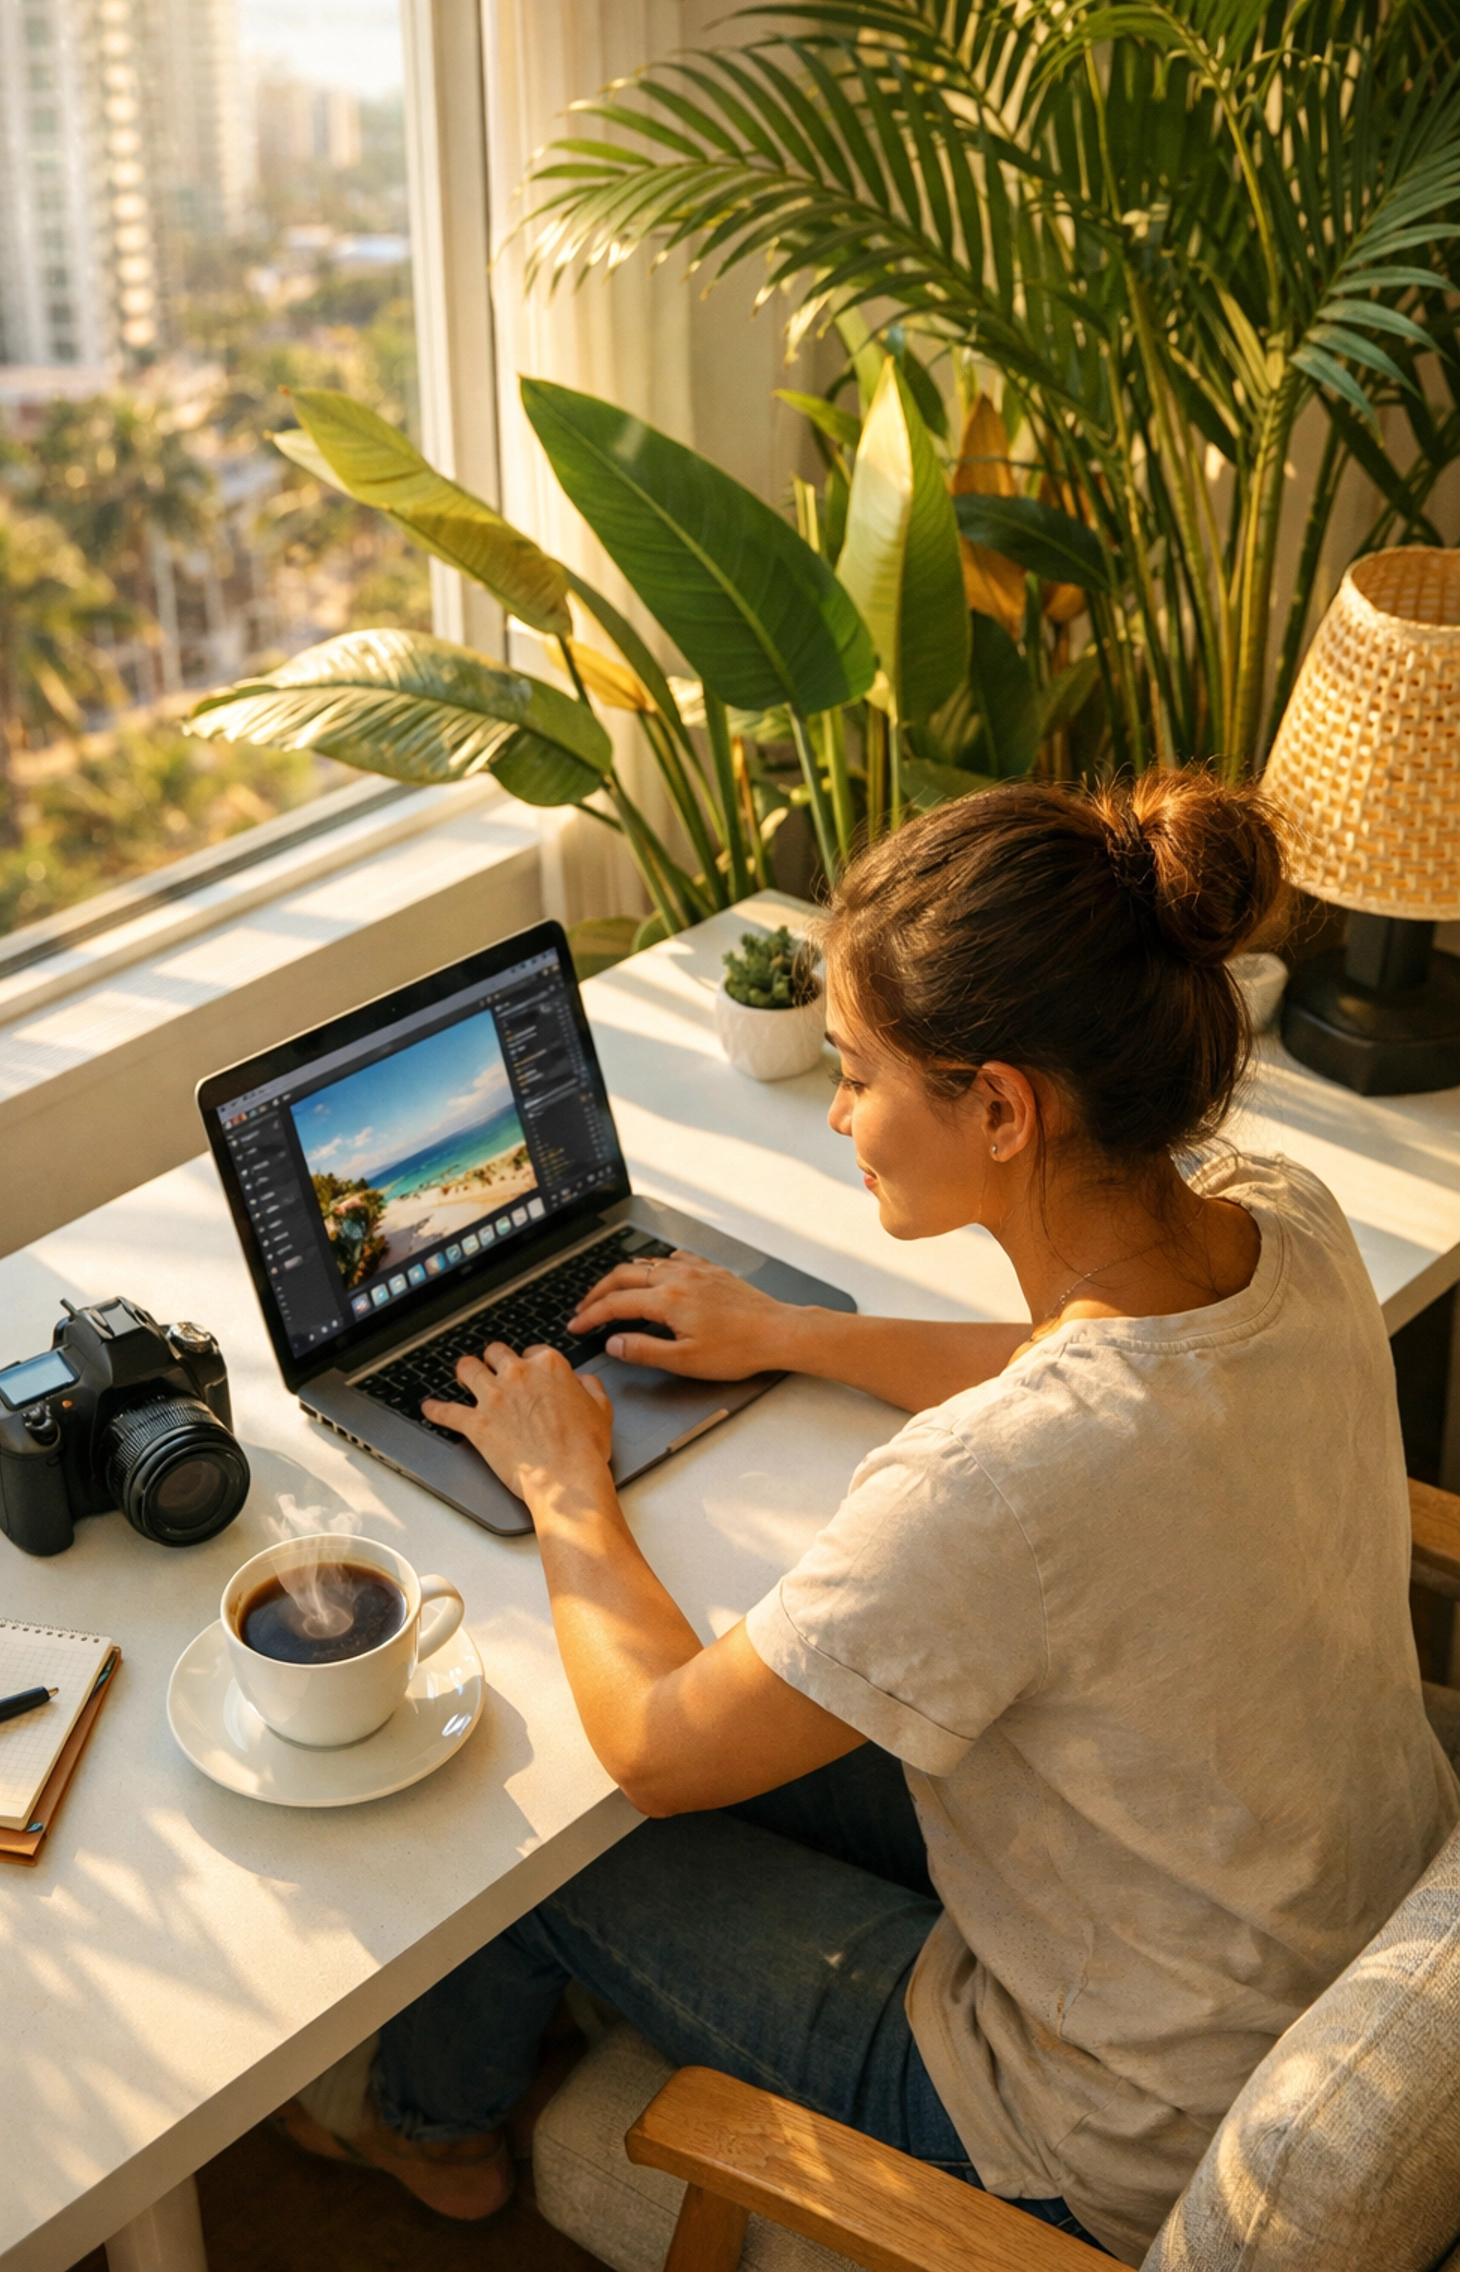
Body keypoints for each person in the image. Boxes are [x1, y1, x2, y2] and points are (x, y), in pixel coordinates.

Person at [279, 772, 1459, 2265]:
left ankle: (432, 2135)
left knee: (543, 1831)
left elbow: (656, 1749)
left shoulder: (999, 1485)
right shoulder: (1283, 1216)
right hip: (1281, 1903)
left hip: (1089, 2120)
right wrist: (795, 1332)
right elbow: (1097, 1372)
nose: (839, 1114)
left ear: (1004, 1109)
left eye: (857, 1074)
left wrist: (564, 1478)